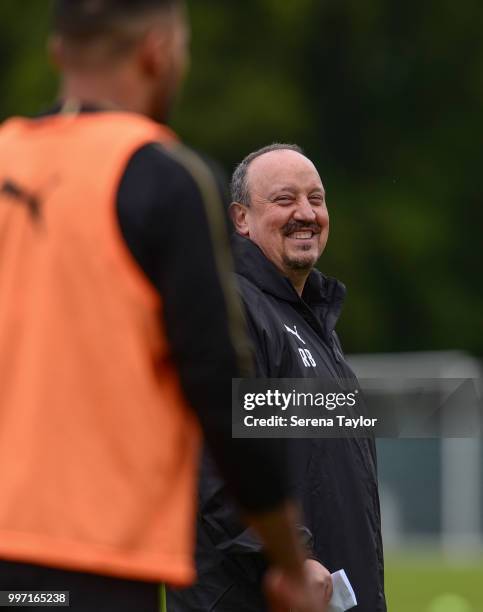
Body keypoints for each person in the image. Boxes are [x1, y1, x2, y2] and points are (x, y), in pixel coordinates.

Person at [0, 2, 330, 610]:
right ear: (158, 51)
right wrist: (288, 559)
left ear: (57, 54)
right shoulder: (162, 176)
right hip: (91, 560)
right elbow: (215, 382)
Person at [168, 143, 387, 612]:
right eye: (285, 200)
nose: (306, 213)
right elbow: (213, 459)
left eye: (316, 198)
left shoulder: (313, 322)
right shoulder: (233, 308)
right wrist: (291, 560)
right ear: (240, 219)